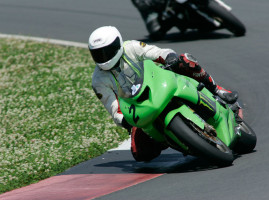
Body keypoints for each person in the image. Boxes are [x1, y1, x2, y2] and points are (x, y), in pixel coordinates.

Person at [89, 26, 238, 162]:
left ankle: (217, 90)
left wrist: (169, 57)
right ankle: (173, 139)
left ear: (118, 44)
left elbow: (158, 52)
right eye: (98, 54)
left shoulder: (131, 47)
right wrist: (124, 120)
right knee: (140, 154)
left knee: (185, 60)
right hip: (139, 108)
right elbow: (114, 108)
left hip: (159, 82)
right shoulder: (98, 80)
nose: (103, 57)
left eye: (107, 51)